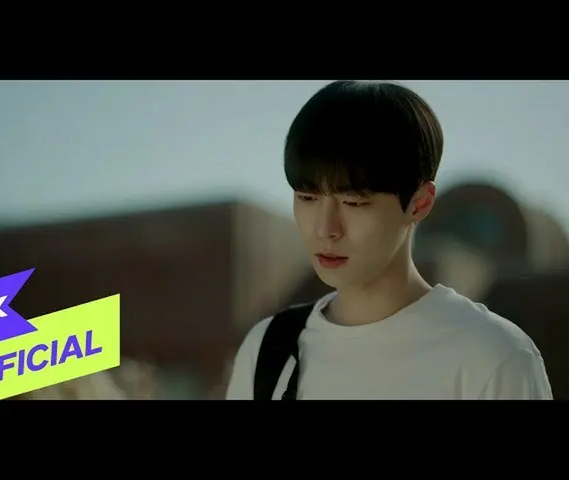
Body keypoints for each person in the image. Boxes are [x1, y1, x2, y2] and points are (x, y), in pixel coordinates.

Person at [226, 80, 553, 400]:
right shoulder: (269, 349)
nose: (325, 228)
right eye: (307, 198)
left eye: (353, 202)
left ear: (420, 203)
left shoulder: (494, 357)